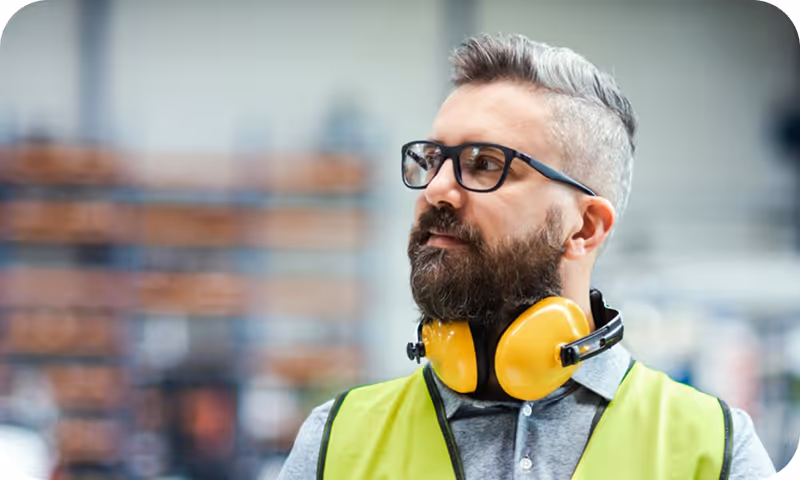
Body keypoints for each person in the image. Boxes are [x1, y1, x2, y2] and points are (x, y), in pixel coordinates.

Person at [277, 33, 776, 480]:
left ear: (584, 227)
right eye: (432, 161)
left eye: (485, 164)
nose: (436, 189)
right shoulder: (334, 444)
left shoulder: (714, 452)